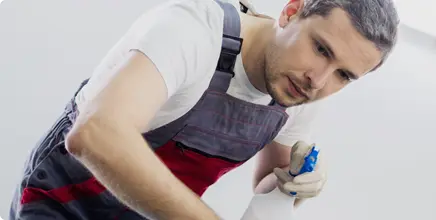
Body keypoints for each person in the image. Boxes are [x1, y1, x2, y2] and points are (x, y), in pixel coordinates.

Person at [9, 0, 399, 219]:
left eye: (344, 75)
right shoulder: (193, 31)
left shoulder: (301, 89)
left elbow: (269, 180)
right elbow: (95, 135)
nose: (320, 80)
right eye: (321, 48)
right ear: (292, 11)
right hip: (62, 204)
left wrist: (291, 183)